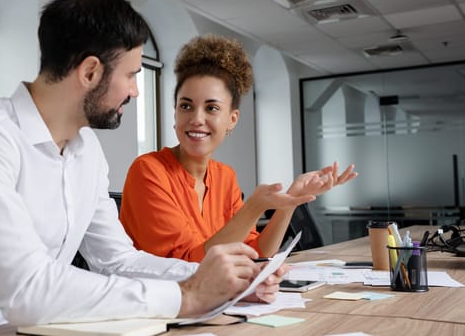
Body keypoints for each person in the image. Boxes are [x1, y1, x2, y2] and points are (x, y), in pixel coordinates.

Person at [0, 0, 285, 336]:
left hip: (49, 328)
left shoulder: (86, 149)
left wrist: (227, 279)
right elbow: (27, 290)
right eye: (131, 75)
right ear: (90, 73)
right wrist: (187, 296)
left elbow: (118, 260)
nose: (135, 91)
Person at [120, 34, 357, 262]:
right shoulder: (148, 171)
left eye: (211, 108)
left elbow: (256, 251)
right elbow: (187, 265)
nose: (196, 119)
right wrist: (254, 207)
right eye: (186, 106)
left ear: (232, 119)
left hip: (212, 299)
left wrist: (291, 200)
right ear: (175, 113)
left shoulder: (225, 177)